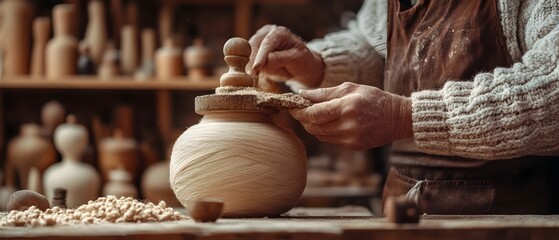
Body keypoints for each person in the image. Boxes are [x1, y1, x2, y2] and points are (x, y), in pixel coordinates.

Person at [248, 0, 559, 214]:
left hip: (508, 214)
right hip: (401, 208)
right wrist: (315, 65)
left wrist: (405, 117)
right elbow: (378, 48)